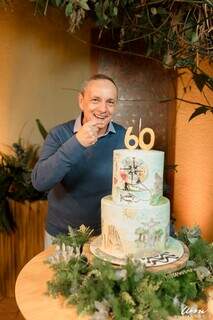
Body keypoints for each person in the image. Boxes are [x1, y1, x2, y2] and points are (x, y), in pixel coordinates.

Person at [31, 74, 126, 246]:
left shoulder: (124, 137)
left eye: (110, 102)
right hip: (62, 237)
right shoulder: (59, 134)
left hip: (106, 235)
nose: (103, 109)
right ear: (81, 101)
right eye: (95, 100)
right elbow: (40, 182)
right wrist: (77, 143)